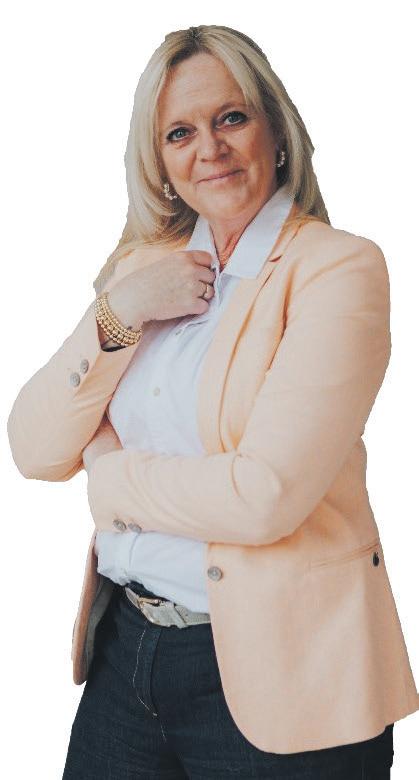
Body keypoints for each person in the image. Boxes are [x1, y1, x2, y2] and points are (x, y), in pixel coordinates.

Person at [7, 23, 417, 779]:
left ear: (275, 130)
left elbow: (263, 497)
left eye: (231, 118)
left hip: (289, 673)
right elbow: (34, 449)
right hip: (127, 654)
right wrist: (119, 312)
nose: (210, 149)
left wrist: (110, 477)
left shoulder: (337, 270)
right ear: (159, 161)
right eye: (180, 133)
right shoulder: (145, 268)